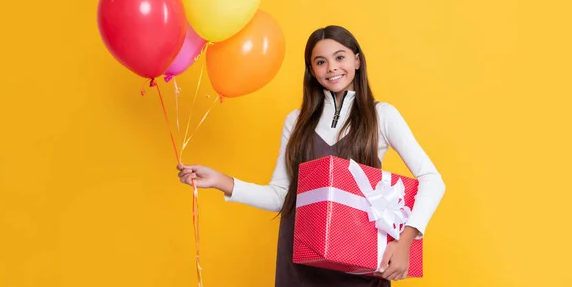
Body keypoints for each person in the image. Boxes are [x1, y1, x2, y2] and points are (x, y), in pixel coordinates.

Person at [177, 25, 446, 286]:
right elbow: (283, 196)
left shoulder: (382, 115)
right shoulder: (295, 121)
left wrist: (405, 240)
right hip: (300, 265)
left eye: (339, 57)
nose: (331, 68)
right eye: (320, 62)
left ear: (357, 60)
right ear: (312, 71)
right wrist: (221, 181)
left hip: (359, 262)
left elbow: (432, 179)